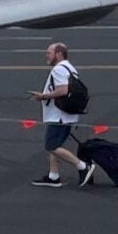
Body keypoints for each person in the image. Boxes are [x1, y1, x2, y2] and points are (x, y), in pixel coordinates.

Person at [31, 41, 85, 186]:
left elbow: (63, 90)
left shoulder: (59, 69)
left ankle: (82, 166)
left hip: (59, 115)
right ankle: (53, 176)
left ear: (59, 54)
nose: (46, 55)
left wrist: (43, 96)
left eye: (49, 52)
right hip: (64, 115)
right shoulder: (69, 68)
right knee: (54, 145)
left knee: (51, 146)